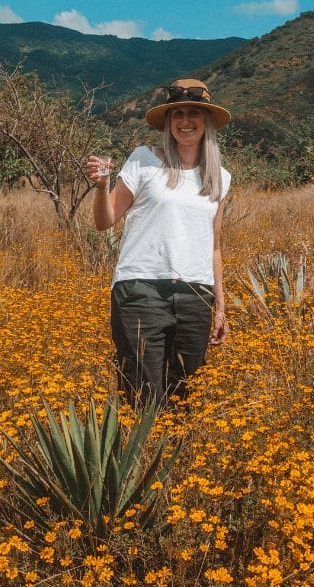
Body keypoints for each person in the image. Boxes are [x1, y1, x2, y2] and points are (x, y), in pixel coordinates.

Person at [85, 77, 232, 408]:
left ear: (206, 121)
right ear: (168, 121)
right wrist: (101, 186)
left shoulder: (220, 177)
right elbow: (104, 221)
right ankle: (141, 457)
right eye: (176, 112)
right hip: (141, 291)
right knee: (142, 395)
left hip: (196, 295)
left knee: (185, 396)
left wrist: (220, 306)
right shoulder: (143, 159)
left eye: (194, 112)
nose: (185, 120)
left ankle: (176, 458)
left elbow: (215, 246)